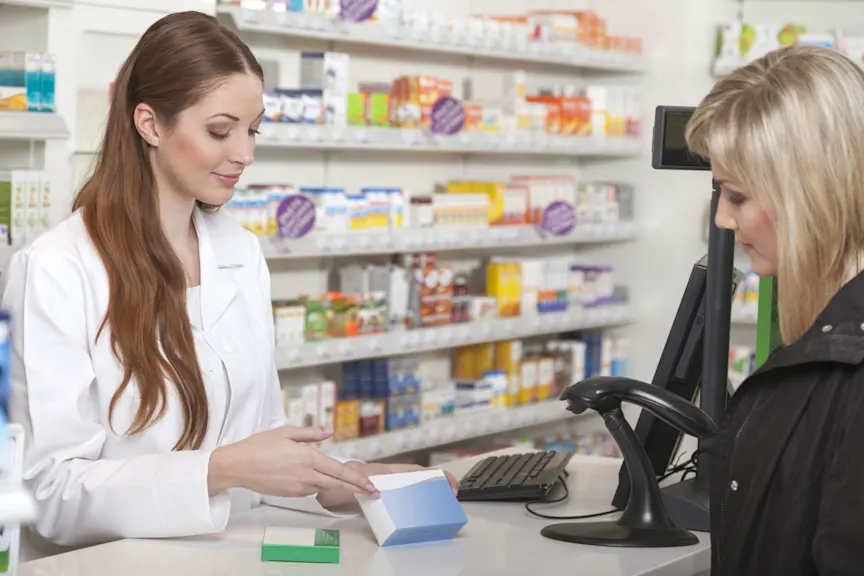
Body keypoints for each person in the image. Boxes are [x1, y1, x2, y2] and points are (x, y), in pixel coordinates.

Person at [1, 11, 454, 561]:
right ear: (150, 125)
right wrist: (219, 470)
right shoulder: (57, 268)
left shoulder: (241, 253)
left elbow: (263, 445)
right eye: (220, 131)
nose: (245, 153)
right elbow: (49, 492)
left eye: (252, 129)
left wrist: (353, 480)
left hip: (234, 556)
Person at [685, 44, 864, 575]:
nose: (722, 219)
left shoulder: (850, 369)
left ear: (810, 194)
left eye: (737, 196)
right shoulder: (819, 339)